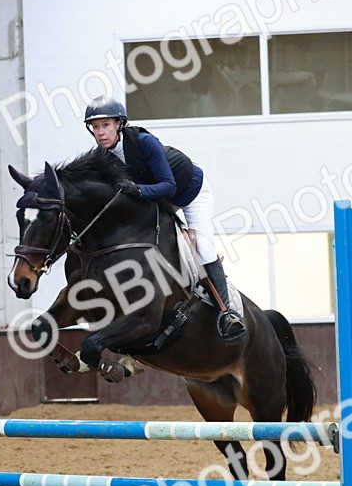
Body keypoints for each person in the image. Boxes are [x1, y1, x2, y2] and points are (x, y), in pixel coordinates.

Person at [82, 96, 246, 341]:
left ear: (119, 124)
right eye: (95, 127)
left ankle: (227, 313)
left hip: (191, 192)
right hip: (158, 198)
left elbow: (169, 186)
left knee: (202, 249)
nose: (100, 132)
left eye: (106, 125)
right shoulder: (103, 157)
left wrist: (137, 190)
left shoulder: (144, 142)